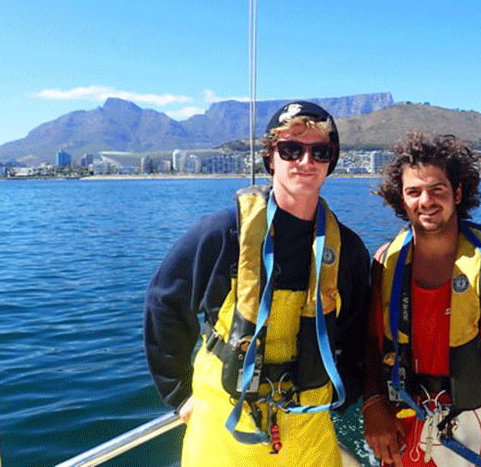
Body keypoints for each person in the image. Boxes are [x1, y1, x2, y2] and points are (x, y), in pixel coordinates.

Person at [144, 101, 371, 467]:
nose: (305, 161)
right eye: (291, 149)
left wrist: (346, 389)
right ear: (271, 158)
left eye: (320, 151)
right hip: (223, 432)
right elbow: (164, 304)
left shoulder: (348, 250)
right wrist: (179, 393)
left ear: (331, 162)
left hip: (309, 436)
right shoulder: (221, 235)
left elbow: (358, 328)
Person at [362, 132, 481, 467]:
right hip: (406, 427)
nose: (426, 201)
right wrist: (373, 404)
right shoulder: (385, 264)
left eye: (438, 189)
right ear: (400, 199)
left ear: (458, 193)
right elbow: (372, 347)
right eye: (414, 192)